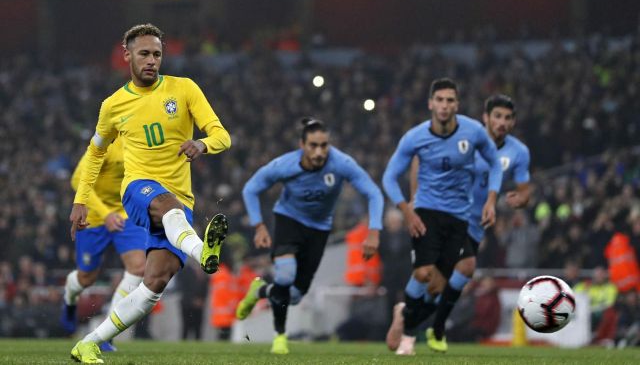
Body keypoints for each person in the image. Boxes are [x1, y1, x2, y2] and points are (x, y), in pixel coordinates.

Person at [68, 23, 231, 364]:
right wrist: (81, 199)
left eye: (157, 54)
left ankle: (88, 343)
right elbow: (95, 153)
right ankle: (204, 253)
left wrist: (202, 143)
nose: (151, 61)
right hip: (138, 189)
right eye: (144, 54)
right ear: (127, 55)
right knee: (166, 207)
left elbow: (222, 135)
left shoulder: (184, 89)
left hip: (180, 200)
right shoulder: (113, 105)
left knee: (153, 284)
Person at [389, 94, 530, 353]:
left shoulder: (519, 152)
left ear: (513, 122)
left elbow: (524, 188)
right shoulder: (465, 136)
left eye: (508, 118)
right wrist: (415, 201)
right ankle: (424, 329)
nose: (502, 122)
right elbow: (421, 159)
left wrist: (521, 199)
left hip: (475, 224)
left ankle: (406, 314)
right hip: (446, 212)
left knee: (437, 286)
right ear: (486, 118)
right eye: (497, 116)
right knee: (462, 268)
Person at [236, 117, 384, 355]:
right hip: (288, 221)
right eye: (313, 145)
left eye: (324, 145)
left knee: (293, 296)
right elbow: (251, 188)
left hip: (319, 230)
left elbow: (373, 193)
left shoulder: (341, 163)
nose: (319, 151)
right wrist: (259, 226)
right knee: (285, 277)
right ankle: (280, 337)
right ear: (302, 145)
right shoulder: (285, 165)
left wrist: (374, 231)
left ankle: (260, 291)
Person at [60, 136, 146, 352]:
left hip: (125, 215)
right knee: (86, 278)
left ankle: (107, 334)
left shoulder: (142, 141)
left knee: (138, 267)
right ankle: (70, 296)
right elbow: (76, 180)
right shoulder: (105, 142)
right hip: (95, 218)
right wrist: (105, 214)